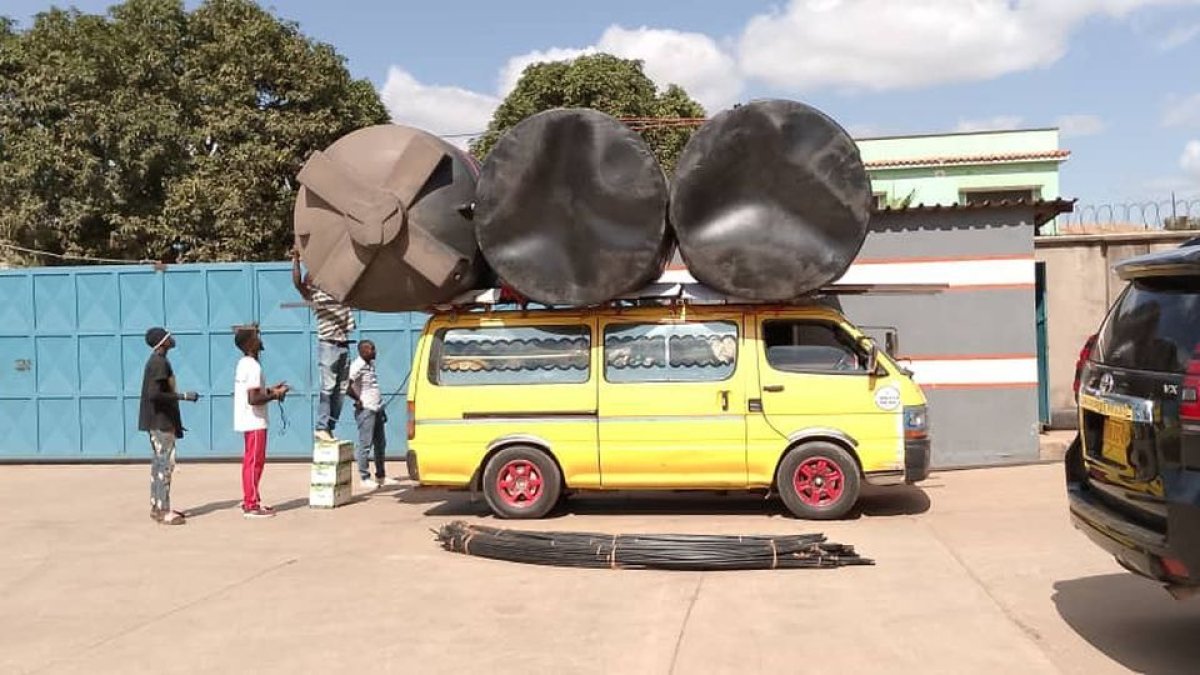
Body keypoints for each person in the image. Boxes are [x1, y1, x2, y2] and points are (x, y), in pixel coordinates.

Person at [292, 248, 355, 443]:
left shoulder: (339, 291)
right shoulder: (315, 296)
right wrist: (295, 260)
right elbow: (297, 283)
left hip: (344, 342)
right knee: (328, 387)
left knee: (341, 389)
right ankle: (321, 426)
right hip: (328, 345)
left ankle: (329, 427)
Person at [137, 327, 199, 525]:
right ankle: (164, 511)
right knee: (165, 465)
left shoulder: (157, 362)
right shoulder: (159, 363)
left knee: (159, 466)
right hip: (161, 422)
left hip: (157, 421)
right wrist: (184, 396)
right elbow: (154, 394)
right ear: (162, 342)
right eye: (168, 337)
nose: (172, 338)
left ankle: (158, 507)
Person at [233, 326, 290, 519]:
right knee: (254, 463)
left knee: (250, 461)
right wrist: (276, 394)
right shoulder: (253, 366)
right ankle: (251, 504)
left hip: (249, 420)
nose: (260, 339)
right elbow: (253, 399)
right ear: (250, 343)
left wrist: (271, 390)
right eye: (257, 337)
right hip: (255, 421)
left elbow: (254, 392)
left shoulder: (244, 363)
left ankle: (251, 498)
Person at [347, 340, 399, 491]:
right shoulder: (357, 365)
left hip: (376, 409)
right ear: (363, 351)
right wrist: (358, 400)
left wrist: (381, 408)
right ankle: (364, 477)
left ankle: (381, 476)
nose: (375, 351)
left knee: (380, 444)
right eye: (371, 349)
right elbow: (346, 385)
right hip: (366, 410)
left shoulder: (370, 365)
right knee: (365, 445)